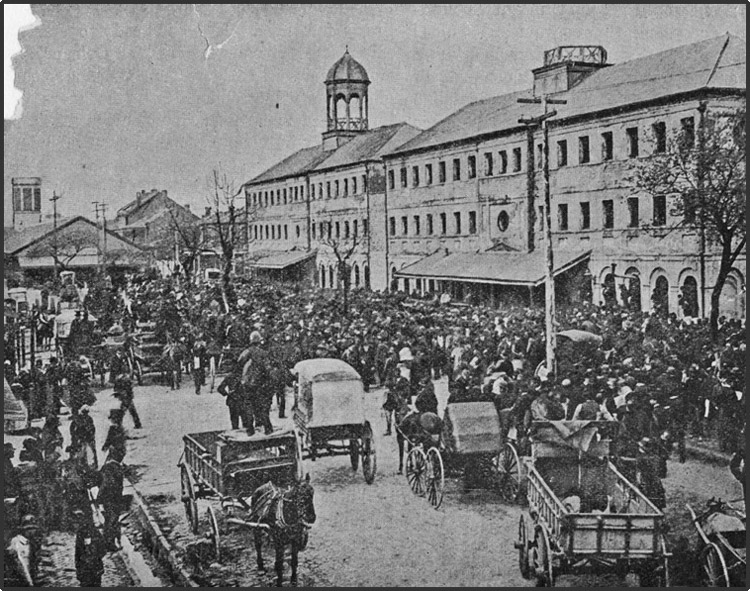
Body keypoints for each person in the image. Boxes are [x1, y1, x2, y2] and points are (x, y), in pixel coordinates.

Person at [239, 331, 272, 435]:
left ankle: (250, 430)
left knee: (248, 407)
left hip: (247, 384)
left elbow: (239, 364)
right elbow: (268, 369)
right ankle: (267, 428)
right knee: (262, 407)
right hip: (260, 384)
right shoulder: (263, 353)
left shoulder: (246, 352)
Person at [99, 449, 125, 551]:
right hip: (113, 498)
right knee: (112, 521)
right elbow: (107, 483)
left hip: (108, 498)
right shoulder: (116, 468)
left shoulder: (107, 467)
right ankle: (109, 544)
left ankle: (106, 542)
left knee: (109, 520)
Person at [110, 348, 142, 429]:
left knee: (126, 406)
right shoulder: (115, 359)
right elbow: (113, 372)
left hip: (124, 386)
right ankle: (136, 423)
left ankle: (119, 423)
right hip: (122, 385)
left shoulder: (122, 359)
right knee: (128, 405)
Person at [74, 511, 107, 587]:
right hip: (85, 569)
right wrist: (78, 568)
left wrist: (95, 557)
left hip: (95, 568)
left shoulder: (95, 532)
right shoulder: (80, 533)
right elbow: (78, 552)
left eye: (81, 520)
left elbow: (103, 549)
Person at [217, 363, 245, 430]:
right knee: (246, 422)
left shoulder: (229, 377)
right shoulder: (243, 377)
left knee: (234, 422)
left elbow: (220, 388)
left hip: (233, 400)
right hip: (242, 400)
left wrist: (227, 394)